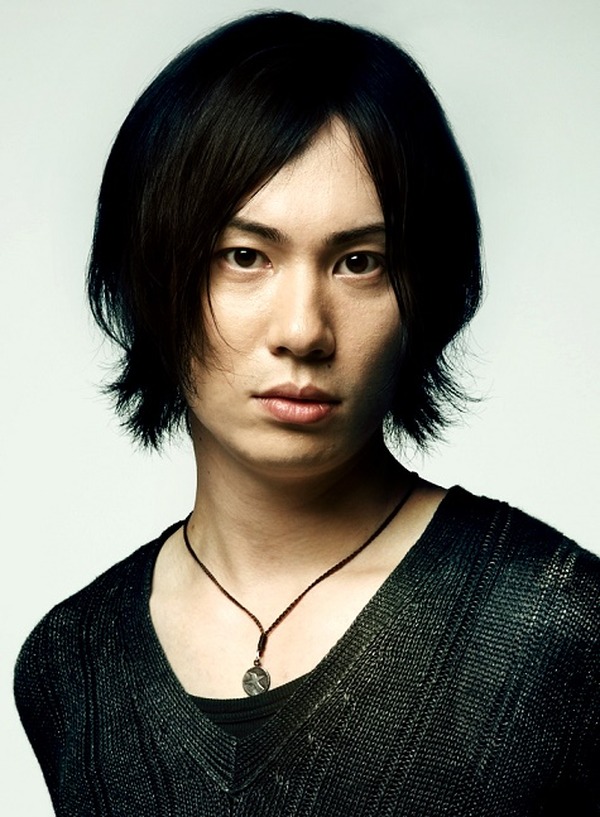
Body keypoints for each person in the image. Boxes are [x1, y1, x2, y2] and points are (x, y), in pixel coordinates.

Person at [14, 11, 599, 816]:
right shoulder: (72, 664)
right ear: (152, 274)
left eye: (359, 262)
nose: (303, 330)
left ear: (422, 292)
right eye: (244, 256)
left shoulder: (556, 628)